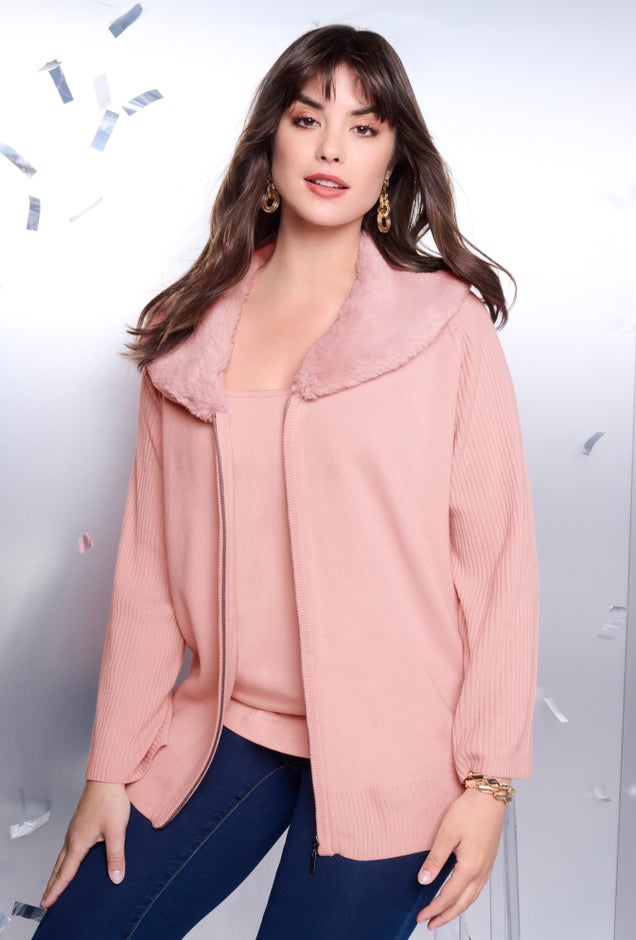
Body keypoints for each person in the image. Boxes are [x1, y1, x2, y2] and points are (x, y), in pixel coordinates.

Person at [36, 23, 538, 940]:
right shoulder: (185, 333)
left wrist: (487, 782)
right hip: (226, 728)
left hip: (398, 747)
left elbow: (497, 565)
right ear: (271, 142)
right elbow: (148, 577)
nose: (331, 147)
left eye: (363, 126)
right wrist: (109, 770)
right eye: (308, 120)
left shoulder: (444, 327)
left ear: (392, 160)